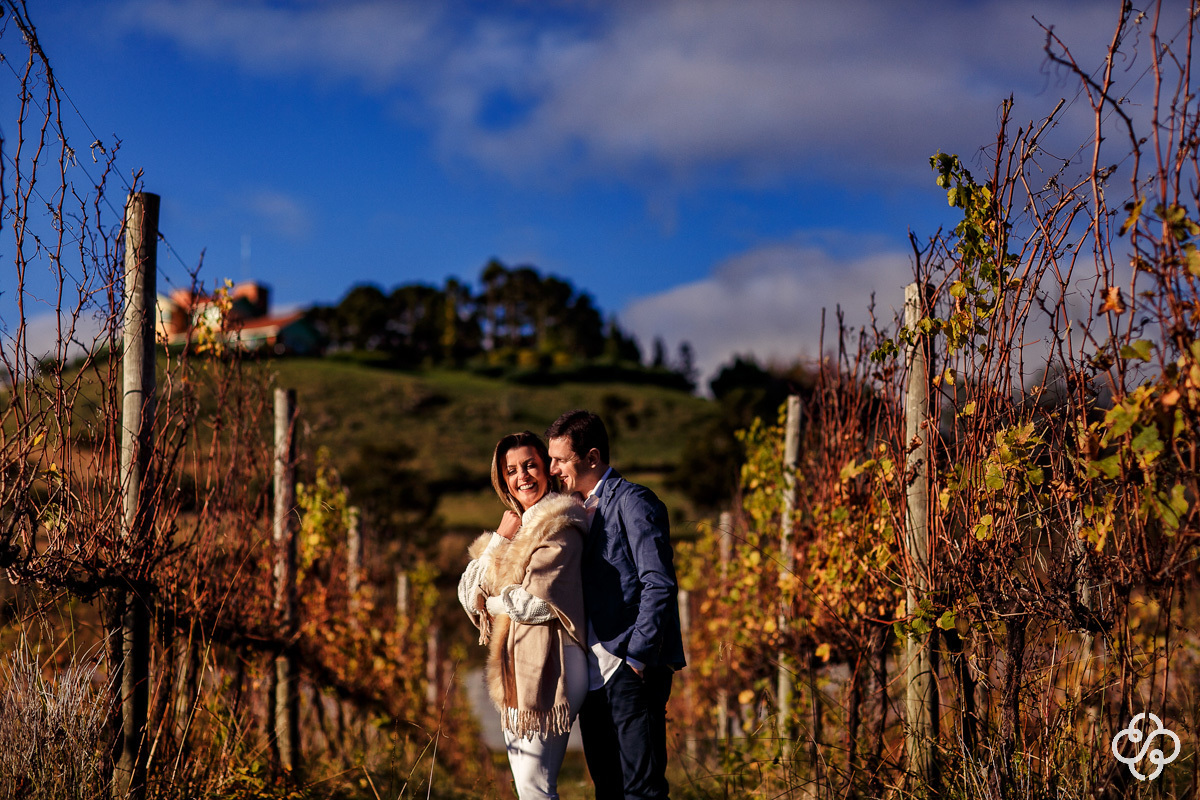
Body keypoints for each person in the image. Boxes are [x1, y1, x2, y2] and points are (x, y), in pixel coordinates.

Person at [545, 410, 686, 800]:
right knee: (607, 790)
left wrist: (637, 657)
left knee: (642, 791)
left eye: (560, 459)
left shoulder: (634, 501)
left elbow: (658, 582)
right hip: (591, 675)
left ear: (591, 457)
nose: (552, 469)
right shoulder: (571, 510)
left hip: (628, 667)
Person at [457, 431, 590, 800]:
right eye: (512, 470)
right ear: (503, 480)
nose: (523, 477)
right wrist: (499, 539)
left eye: (530, 465)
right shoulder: (517, 530)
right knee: (529, 787)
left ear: (546, 468)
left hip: (555, 661)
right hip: (518, 668)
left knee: (535, 787)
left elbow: (537, 604)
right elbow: (468, 593)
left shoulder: (561, 525)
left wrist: (493, 603)